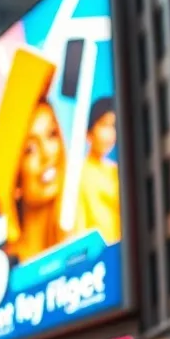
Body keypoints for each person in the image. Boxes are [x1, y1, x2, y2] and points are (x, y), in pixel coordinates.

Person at [0, 48, 68, 264]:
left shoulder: (87, 239)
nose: (48, 154)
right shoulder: (3, 271)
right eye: (30, 149)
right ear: (15, 183)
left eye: (52, 135)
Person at [73, 96, 122, 245]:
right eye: (104, 125)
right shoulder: (79, 173)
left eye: (113, 126)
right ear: (89, 131)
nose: (109, 134)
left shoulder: (115, 171)